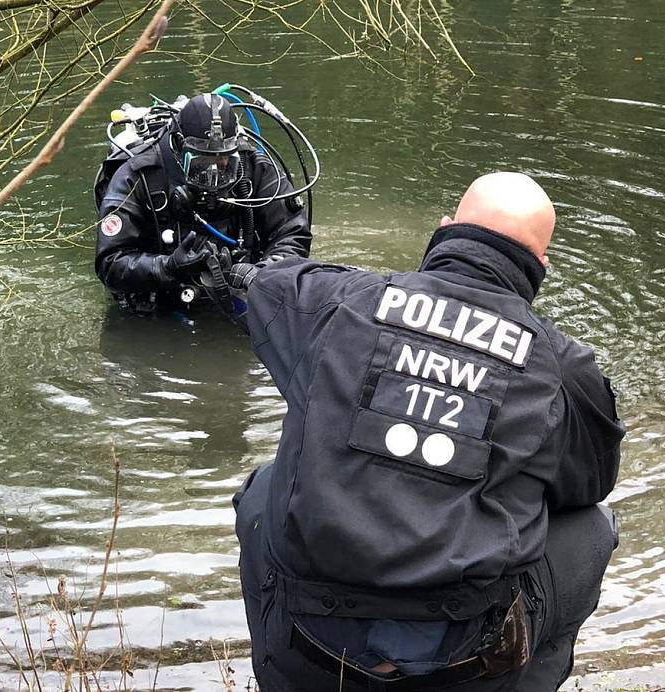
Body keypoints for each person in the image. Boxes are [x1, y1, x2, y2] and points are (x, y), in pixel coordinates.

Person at [228, 172, 625, 691]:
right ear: (541, 266)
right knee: (591, 527)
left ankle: (281, 674)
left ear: (445, 228)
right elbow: (589, 485)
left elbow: (262, 286)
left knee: (263, 493)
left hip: (312, 636)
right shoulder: (562, 364)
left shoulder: (334, 301)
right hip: (466, 653)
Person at [94, 93, 311, 313]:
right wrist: (167, 267)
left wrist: (261, 273)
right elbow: (110, 262)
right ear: (180, 148)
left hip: (240, 290)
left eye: (224, 164)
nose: (213, 177)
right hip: (160, 302)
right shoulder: (137, 177)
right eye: (202, 164)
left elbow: (293, 234)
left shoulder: (255, 169)